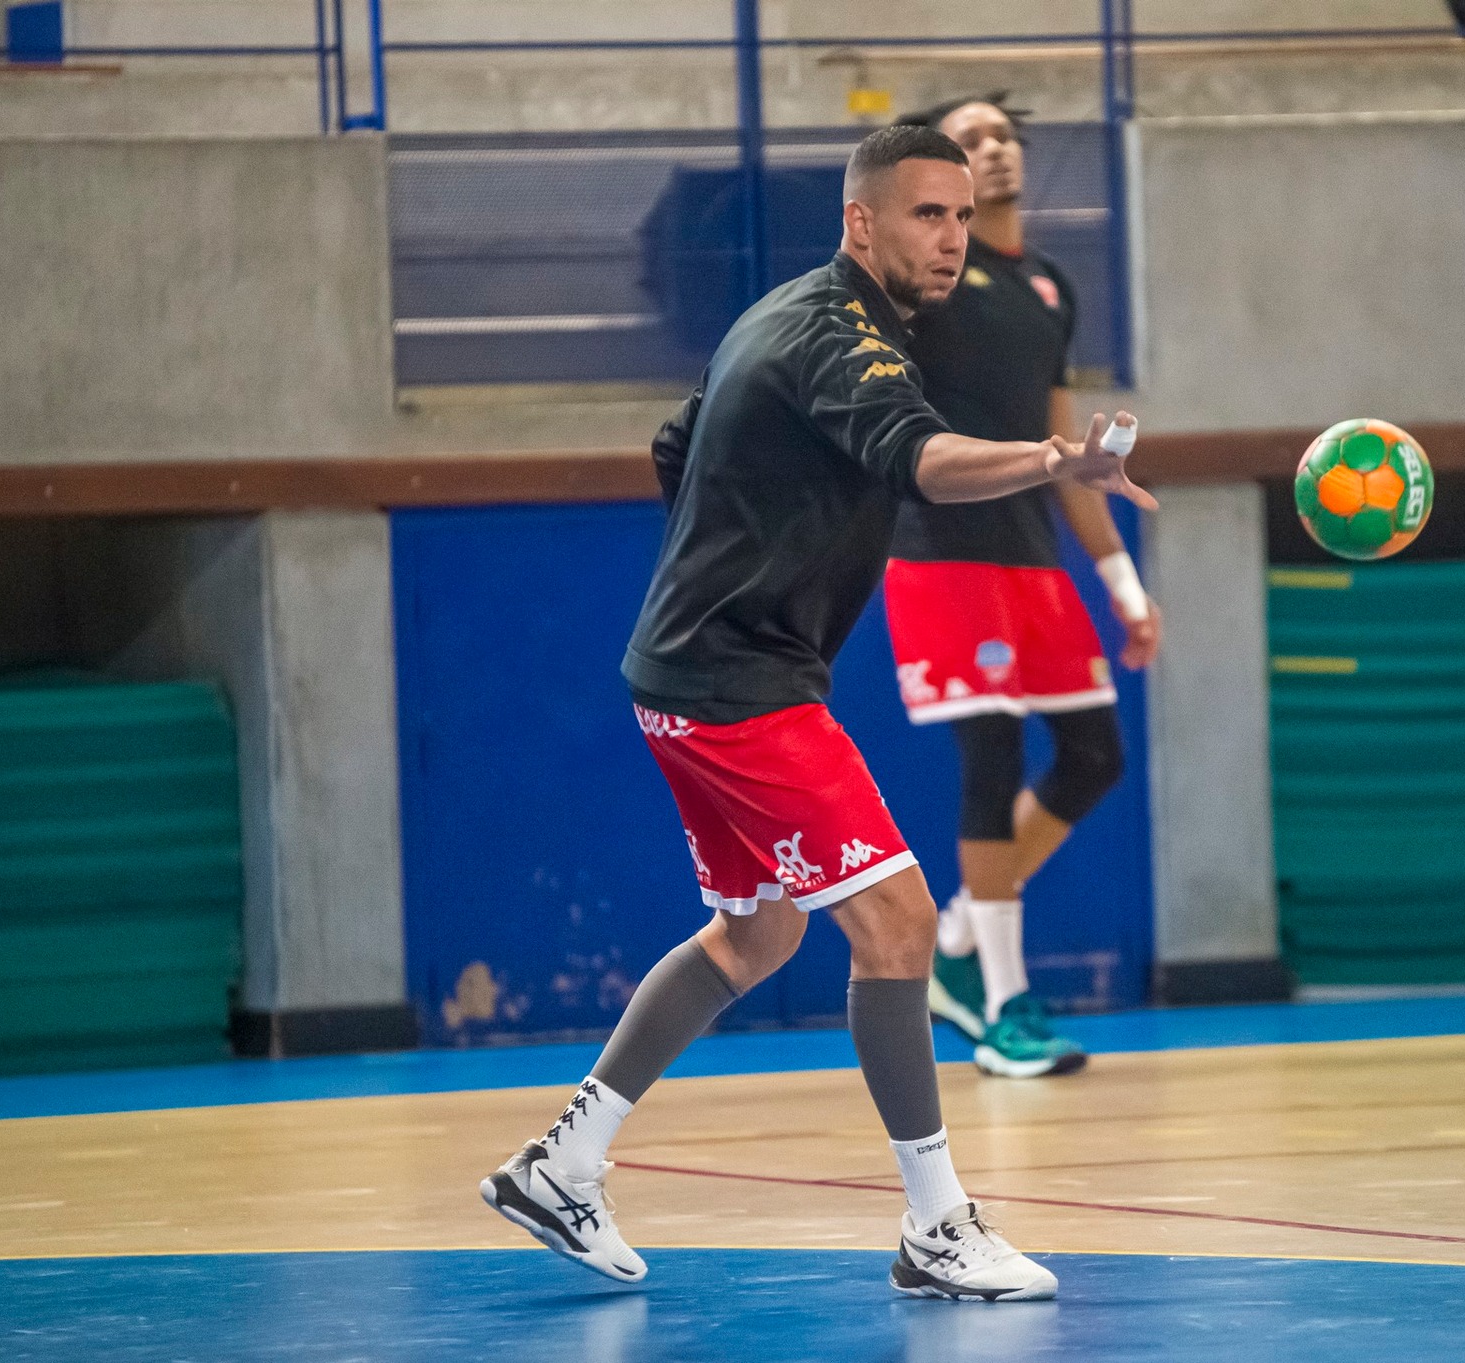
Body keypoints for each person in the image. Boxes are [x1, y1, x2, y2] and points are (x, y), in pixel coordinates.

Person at [477, 124, 1155, 1303]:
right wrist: (1054, 459)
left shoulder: (778, 313)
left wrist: (735, 545)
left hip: (693, 669)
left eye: (958, 217)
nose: (948, 240)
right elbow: (927, 465)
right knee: (895, 920)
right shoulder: (845, 339)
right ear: (861, 220)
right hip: (738, 684)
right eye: (922, 217)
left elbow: (675, 445)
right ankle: (938, 1226)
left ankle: (565, 1161)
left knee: (759, 934)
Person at [883, 95, 1163, 1079]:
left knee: (1093, 754)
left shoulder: (1047, 286)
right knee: (990, 759)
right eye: (969, 141)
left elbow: (1073, 454)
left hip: (1032, 560)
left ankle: (958, 939)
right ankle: (1003, 1005)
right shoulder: (921, 283)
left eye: (1003, 137)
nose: (993, 151)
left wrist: (1124, 585)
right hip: (940, 553)